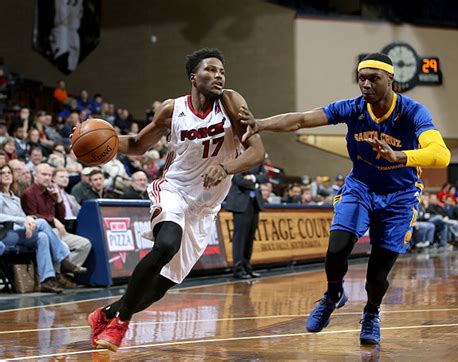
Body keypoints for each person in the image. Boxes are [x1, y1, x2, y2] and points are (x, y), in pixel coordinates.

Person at [239, 53, 450, 345]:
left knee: (378, 273)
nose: (365, 84)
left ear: (391, 79)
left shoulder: (413, 112)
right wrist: (260, 123)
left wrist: (401, 156)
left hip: (400, 196)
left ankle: (371, 313)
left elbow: (441, 155)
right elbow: (301, 120)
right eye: (361, 78)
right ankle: (332, 294)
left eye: (373, 78)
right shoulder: (352, 108)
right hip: (360, 188)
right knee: (337, 249)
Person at [87, 48, 265, 352]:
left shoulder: (232, 102)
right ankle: (120, 324)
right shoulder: (173, 110)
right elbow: (138, 145)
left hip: (206, 206)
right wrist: (104, 143)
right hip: (174, 189)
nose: (219, 75)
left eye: (222, 71)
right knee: (167, 244)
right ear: (193, 78)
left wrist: (226, 167)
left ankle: (105, 314)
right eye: (211, 70)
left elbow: (256, 152)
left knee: (159, 288)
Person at [0, 164, 85, 293]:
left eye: (9, 173)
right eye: (2, 173)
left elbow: (26, 218)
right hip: (4, 235)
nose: (6, 175)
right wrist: (26, 221)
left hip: (19, 233)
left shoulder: (15, 198)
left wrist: (28, 223)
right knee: (41, 222)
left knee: (42, 237)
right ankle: (63, 259)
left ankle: (46, 280)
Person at [21, 164, 92, 275]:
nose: (47, 178)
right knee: (60, 241)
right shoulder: (28, 193)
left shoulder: (50, 192)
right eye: (44, 174)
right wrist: (52, 220)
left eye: (49, 175)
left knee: (84, 244)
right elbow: (32, 215)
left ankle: (62, 272)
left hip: (57, 231)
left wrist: (59, 200)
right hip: (42, 232)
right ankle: (61, 271)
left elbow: (61, 218)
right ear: (35, 175)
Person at [224, 163, 268, 279]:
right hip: (241, 204)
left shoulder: (258, 160)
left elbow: (265, 177)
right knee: (240, 239)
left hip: (255, 204)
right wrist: (256, 184)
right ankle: (238, 269)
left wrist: (252, 178)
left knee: (249, 238)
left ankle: (247, 267)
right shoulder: (239, 158)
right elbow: (238, 180)